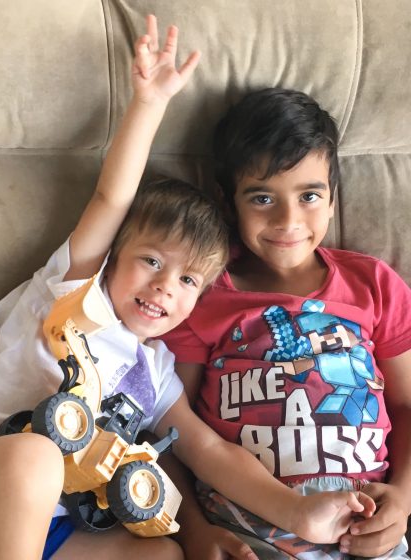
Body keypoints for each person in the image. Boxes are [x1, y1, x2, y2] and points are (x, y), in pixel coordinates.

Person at [0, 18, 375, 560]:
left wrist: (296, 511)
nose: (163, 286)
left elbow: (209, 451)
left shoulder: (155, 372)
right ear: (112, 257)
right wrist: (150, 103)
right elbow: (111, 198)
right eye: (151, 261)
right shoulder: (74, 293)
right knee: (35, 457)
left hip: (44, 532)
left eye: (187, 280)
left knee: (162, 555)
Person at [162, 87, 411, 559]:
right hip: (244, 528)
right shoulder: (200, 297)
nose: (288, 219)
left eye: (309, 195)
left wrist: (403, 497)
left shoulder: (374, 284)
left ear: (333, 199)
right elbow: (170, 429)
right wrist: (192, 530)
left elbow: (406, 404)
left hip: (365, 522)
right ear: (228, 202)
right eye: (262, 198)